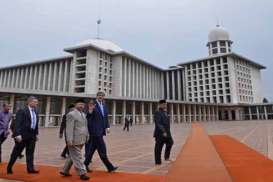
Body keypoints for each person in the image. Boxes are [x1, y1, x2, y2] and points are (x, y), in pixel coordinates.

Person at [84, 92, 118, 173]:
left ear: (104, 97)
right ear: (96, 96)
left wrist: (107, 126)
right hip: (94, 131)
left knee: (92, 148)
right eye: (99, 95)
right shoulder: (92, 104)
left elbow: (105, 118)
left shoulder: (104, 105)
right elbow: (87, 116)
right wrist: (90, 110)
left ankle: (85, 164)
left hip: (101, 130)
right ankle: (110, 167)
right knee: (102, 149)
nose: (101, 97)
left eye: (102, 96)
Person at [7, 96, 39, 174]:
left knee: (30, 153)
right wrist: (17, 134)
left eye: (36, 102)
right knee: (16, 152)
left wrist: (36, 134)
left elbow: (35, 123)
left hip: (32, 135)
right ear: (29, 102)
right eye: (35, 102)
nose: (36, 103)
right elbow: (18, 123)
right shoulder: (22, 111)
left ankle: (30, 169)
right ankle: (9, 167)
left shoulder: (35, 111)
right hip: (22, 135)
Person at [60, 99, 90, 181]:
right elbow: (69, 128)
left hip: (82, 139)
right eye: (79, 104)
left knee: (72, 156)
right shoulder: (71, 114)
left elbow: (85, 127)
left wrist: (87, 135)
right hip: (73, 140)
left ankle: (64, 170)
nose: (81, 106)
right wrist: (69, 140)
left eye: (83, 105)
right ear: (76, 105)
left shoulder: (83, 114)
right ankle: (82, 173)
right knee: (78, 156)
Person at [153, 99, 174, 165]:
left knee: (170, 142)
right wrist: (163, 131)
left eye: (166, 104)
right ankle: (158, 161)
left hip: (167, 133)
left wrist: (168, 132)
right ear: (160, 105)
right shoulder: (157, 112)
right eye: (164, 104)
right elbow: (158, 123)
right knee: (158, 147)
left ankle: (166, 157)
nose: (166, 105)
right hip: (160, 133)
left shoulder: (165, 112)